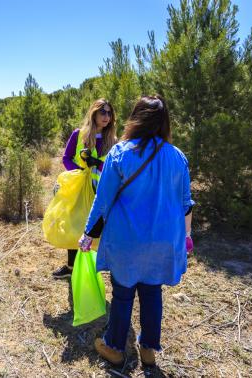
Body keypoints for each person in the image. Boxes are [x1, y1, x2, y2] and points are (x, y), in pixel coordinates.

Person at [78, 96, 195, 366]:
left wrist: (88, 234)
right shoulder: (178, 157)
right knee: (152, 293)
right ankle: (148, 350)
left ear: (135, 118)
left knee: (122, 294)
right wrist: (186, 238)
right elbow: (185, 204)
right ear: (164, 122)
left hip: (127, 240)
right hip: (161, 242)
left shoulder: (120, 153)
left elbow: (103, 200)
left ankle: (115, 348)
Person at [52, 98, 118, 279]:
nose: (106, 117)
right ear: (94, 113)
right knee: (75, 224)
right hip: (79, 188)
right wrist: (80, 171)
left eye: (109, 113)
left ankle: (95, 266)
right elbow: (66, 158)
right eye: (102, 112)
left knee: (97, 227)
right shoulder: (78, 134)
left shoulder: (112, 140)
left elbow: (115, 168)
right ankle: (71, 267)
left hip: (101, 190)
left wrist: (97, 164)